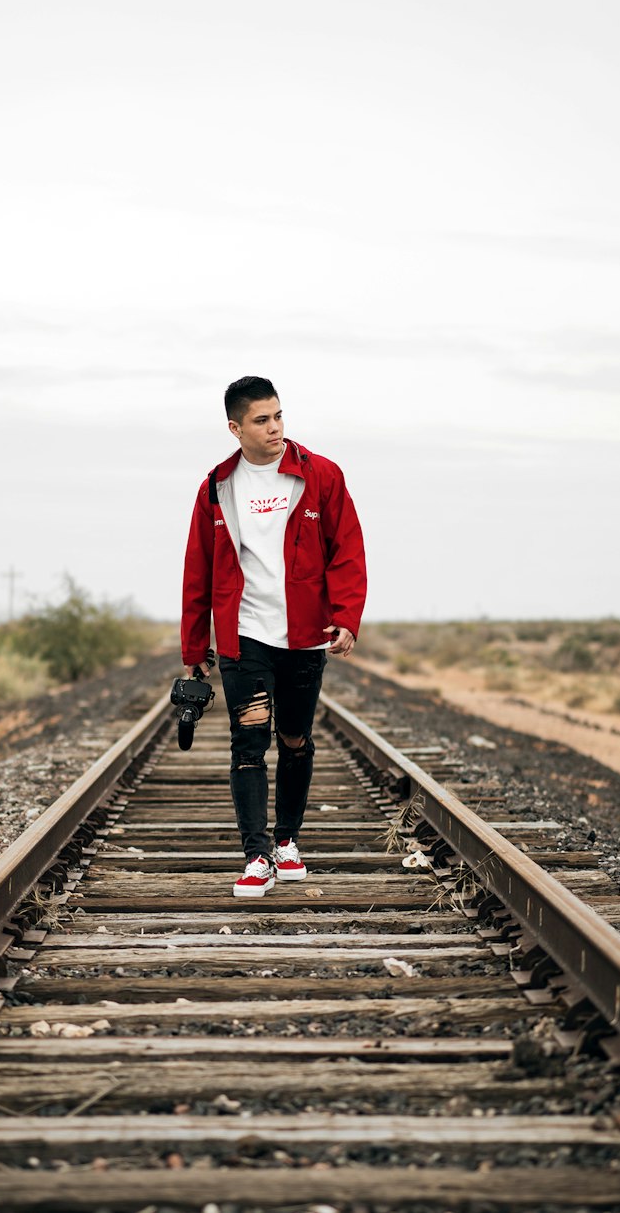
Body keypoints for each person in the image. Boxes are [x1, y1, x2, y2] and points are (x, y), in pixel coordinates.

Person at [181, 376, 367, 898]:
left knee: (294, 739)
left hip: (306, 635)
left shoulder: (321, 476)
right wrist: (195, 649)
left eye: (279, 416)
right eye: (262, 420)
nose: (276, 428)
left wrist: (348, 614)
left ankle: (287, 840)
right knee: (248, 741)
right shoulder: (218, 485)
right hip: (246, 634)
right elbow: (198, 570)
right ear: (235, 428)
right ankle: (257, 854)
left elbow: (347, 547)